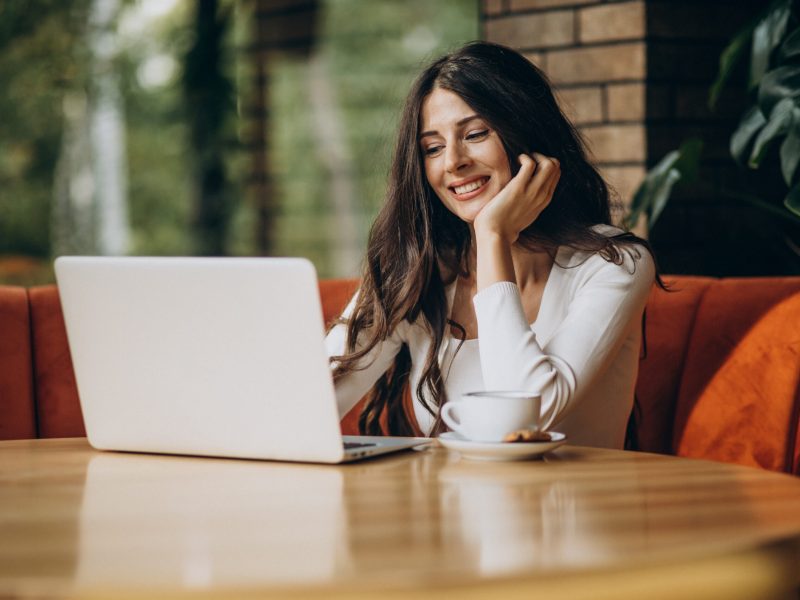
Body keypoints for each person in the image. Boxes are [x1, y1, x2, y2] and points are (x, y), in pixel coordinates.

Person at [324, 41, 661, 449]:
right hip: (453, 509)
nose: (453, 162)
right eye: (432, 148)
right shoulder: (423, 271)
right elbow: (311, 406)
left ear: (527, 133)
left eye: (476, 134)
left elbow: (525, 416)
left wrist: (493, 237)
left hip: (571, 508)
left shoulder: (615, 263)